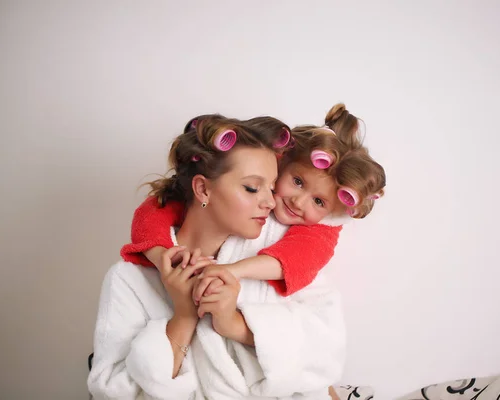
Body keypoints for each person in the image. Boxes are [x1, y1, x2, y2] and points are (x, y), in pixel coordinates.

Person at [118, 104, 386, 399]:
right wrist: (163, 260)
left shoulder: (307, 239)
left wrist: (235, 319)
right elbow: (155, 209)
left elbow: (323, 350)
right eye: (295, 182)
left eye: (319, 203)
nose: (295, 202)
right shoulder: (130, 278)